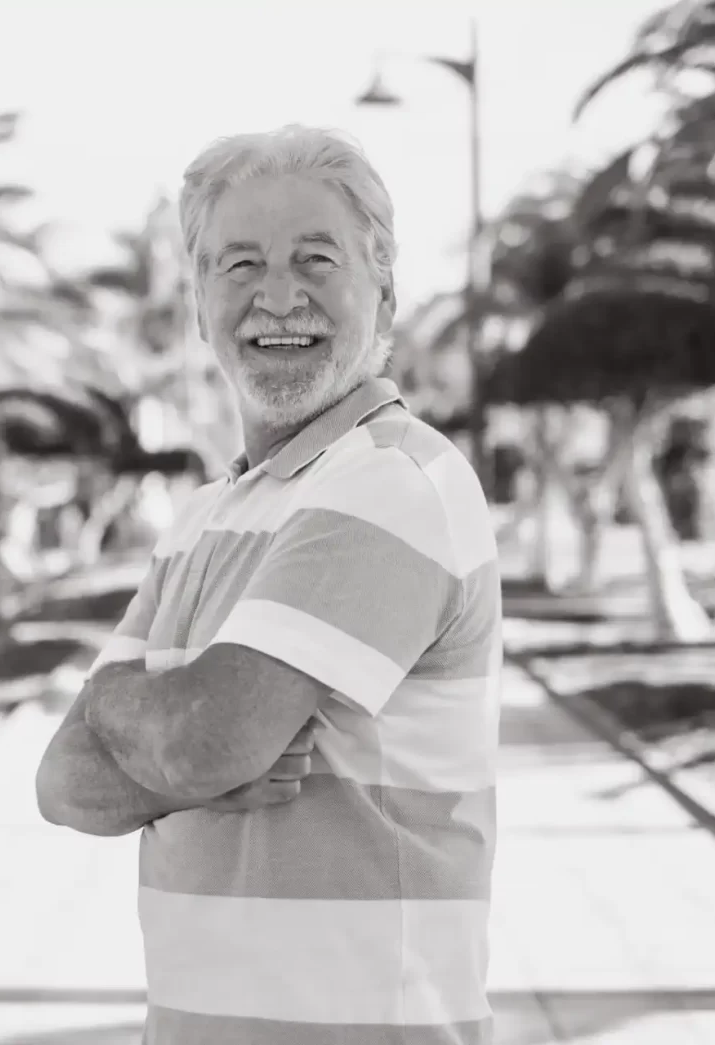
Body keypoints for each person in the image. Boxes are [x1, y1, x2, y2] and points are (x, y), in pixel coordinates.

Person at [34, 124, 502, 1045]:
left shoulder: (393, 479)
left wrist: (131, 713)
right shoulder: (204, 514)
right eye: (238, 263)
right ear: (200, 304)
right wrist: (163, 726)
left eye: (316, 259)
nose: (276, 296)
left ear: (386, 296)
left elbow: (211, 742)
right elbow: (62, 781)